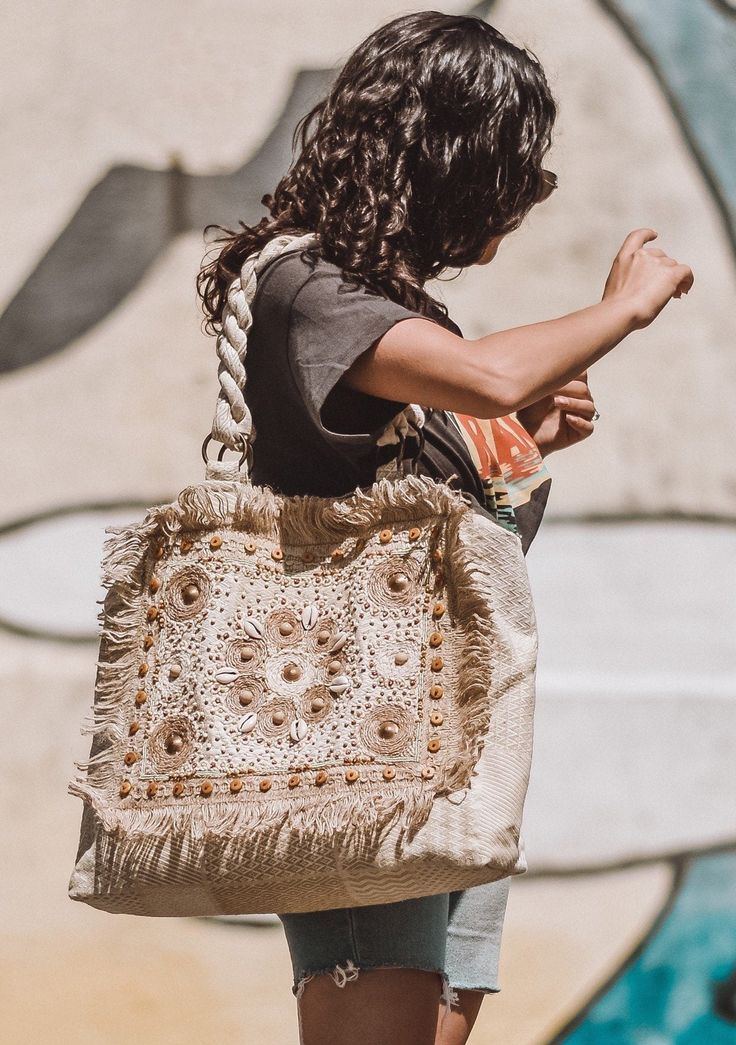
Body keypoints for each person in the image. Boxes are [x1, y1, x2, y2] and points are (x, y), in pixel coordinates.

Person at [196, 12, 693, 1045]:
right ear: (449, 164)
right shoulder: (307, 287)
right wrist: (624, 306)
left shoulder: (381, 304)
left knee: (433, 1015)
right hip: (353, 722)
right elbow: (492, 374)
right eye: (508, 171)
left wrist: (517, 444)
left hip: (442, 719)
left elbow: (437, 501)